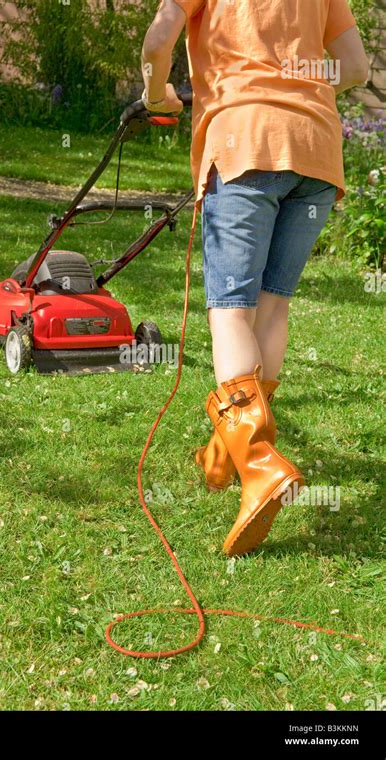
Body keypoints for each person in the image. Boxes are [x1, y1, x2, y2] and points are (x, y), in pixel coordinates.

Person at [140, 0, 369, 556]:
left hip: (246, 143)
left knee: (229, 308)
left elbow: (157, 42)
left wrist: (156, 96)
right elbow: (356, 69)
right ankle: (228, 450)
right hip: (315, 155)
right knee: (273, 304)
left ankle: (260, 465)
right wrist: (297, 81)